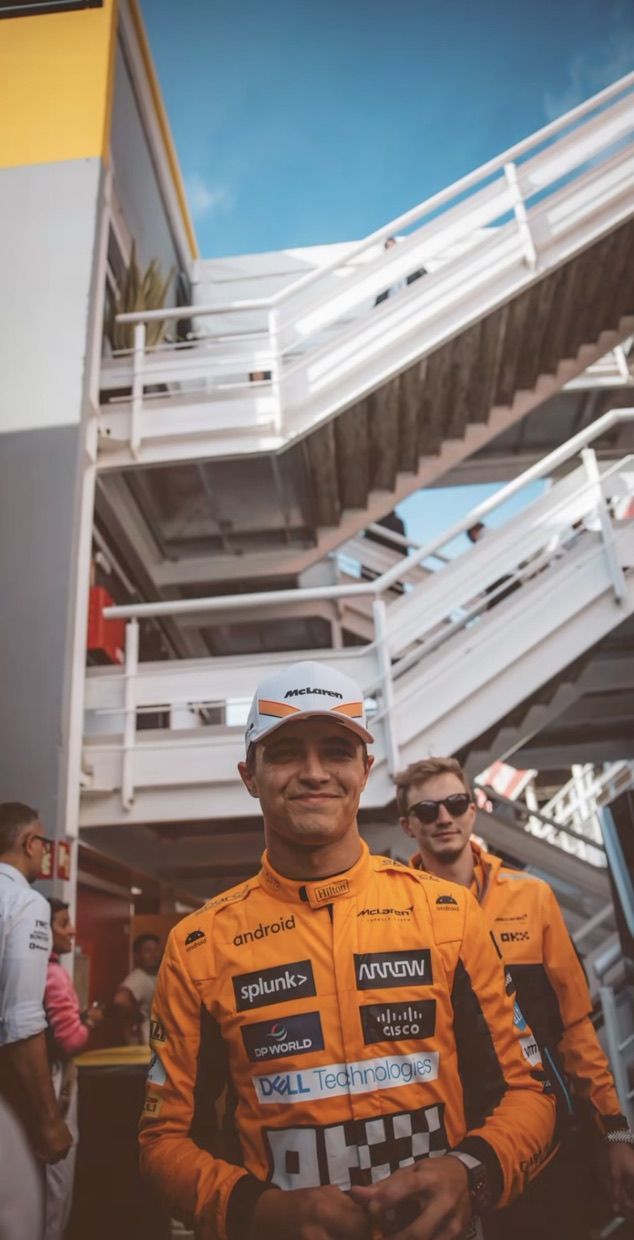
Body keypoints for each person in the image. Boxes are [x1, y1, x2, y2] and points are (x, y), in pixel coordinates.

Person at [139, 660, 555, 1240]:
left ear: (366, 770)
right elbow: (163, 1142)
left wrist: (470, 1171)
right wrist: (257, 1212)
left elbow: (529, 1092)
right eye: (285, 752)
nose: (314, 773)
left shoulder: (448, 914)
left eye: (336, 750)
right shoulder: (197, 946)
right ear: (249, 774)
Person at [395, 755, 634, 1238]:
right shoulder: (394, 916)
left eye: (455, 803)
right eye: (426, 811)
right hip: (451, 1151)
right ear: (408, 826)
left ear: (473, 809)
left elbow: (575, 1026)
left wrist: (617, 1133)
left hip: (552, 1135)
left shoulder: (532, 897)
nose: (443, 817)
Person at [0, 802, 72, 1169]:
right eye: (42, 842)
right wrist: (49, 1121)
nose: (44, 851)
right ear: (30, 843)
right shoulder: (25, 903)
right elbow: (21, 1017)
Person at [43, 897, 103, 1240]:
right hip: (55, 1079)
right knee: (58, 1180)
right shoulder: (55, 975)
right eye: (64, 923)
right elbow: (71, 1040)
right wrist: (89, 1022)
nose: (72, 930)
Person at [113, 933, 161, 1044]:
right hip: (147, 1041)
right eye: (147, 951)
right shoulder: (138, 978)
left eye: (156, 950)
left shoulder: (159, 974)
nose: (153, 955)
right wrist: (138, 1016)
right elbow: (120, 1000)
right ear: (137, 956)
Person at [374, 236, 426, 306]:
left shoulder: (409, 262)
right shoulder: (384, 270)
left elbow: (423, 275)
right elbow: (381, 295)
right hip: (392, 303)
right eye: (389, 247)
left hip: (412, 298)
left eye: (394, 247)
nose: (392, 250)